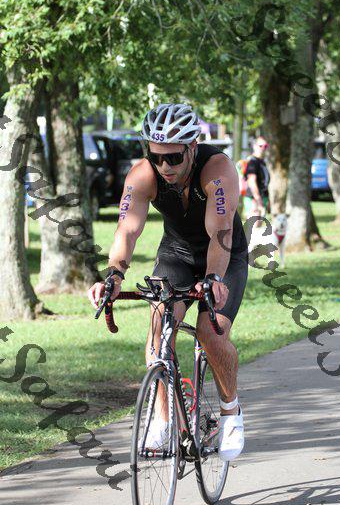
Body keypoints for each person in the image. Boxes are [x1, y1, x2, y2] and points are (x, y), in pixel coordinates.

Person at [87, 103, 248, 462]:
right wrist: (114, 275)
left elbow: (220, 231)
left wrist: (213, 278)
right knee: (158, 336)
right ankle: (164, 419)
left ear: (192, 147)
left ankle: (231, 410)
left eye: (173, 157)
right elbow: (127, 230)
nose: (164, 166)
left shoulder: (217, 169)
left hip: (223, 254)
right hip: (177, 253)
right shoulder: (142, 175)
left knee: (210, 333)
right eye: (155, 156)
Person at [242, 136, 269, 228]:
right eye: (260, 146)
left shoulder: (262, 161)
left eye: (265, 146)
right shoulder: (252, 162)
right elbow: (251, 181)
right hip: (253, 198)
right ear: (254, 146)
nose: (263, 148)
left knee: (259, 226)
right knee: (254, 227)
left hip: (262, 197)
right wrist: (258, 199)